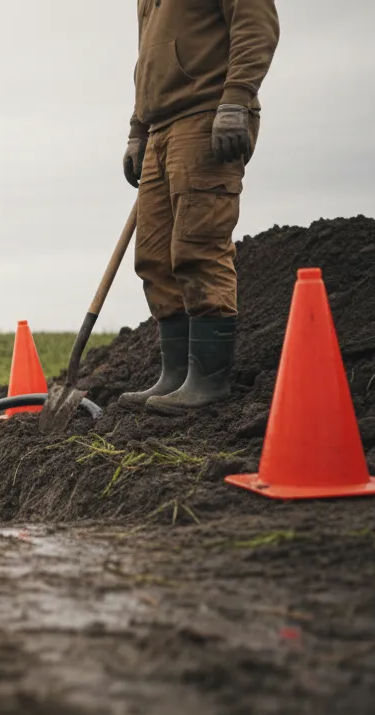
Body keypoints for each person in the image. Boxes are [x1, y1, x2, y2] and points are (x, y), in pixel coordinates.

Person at [117, 0, 279, 413]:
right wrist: (138, 129)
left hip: (206, 115)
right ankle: (175, 375)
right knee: (154, 257)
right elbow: (148, 62)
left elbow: (255, 24)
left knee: (198, 246)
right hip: (160, 126)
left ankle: (207, 381)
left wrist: (236, 100)